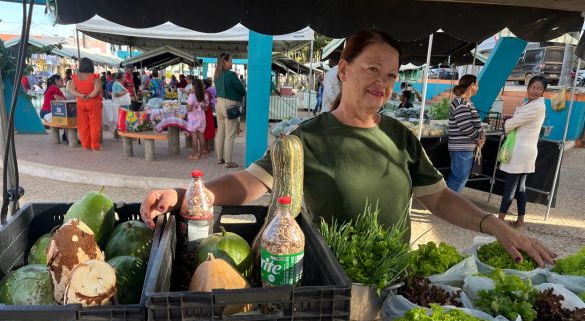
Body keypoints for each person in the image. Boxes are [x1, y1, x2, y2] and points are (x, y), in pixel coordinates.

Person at [140, 29, 555, 269]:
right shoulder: (307, 138)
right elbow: (248, 183)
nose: (383, 83)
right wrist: (185, 195)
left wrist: (492, 224)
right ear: (343, 70)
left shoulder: (401, 137)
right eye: (372, 69)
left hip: (390, 282)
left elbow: (439, 198)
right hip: (327, 286)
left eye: (390, 74)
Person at [498, 75, 548, 229]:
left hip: (521, 152)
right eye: (533, 87)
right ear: (528, 88)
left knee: (510, 188)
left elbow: (514, 122)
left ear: (543, 91)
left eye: (539, 88)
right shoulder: (531, 104)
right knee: (520, 188)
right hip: (524, 151)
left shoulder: (536, 106)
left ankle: (499, 221)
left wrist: (507, 123)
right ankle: (520, 220)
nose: (535, 91)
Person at [447, 74, 485, 193]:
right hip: (461, 149)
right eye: (477, 84)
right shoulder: (461, 102)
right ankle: (447, 202)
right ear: (472, 85)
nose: (478, 88)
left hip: (464, 148)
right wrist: (479, 137)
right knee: (458, 179)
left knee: (459, 178)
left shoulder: (466, 102)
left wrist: (482, 135)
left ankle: (449, 201)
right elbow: (466, 126)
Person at [214, 53, 246, 168]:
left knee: (220, 133)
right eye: (230, 61)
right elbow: (242, 90)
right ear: (225, 62)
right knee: (230, 135)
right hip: (230, 105)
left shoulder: (216, 75)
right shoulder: (231, 75)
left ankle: (220, 158)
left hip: (218, 104)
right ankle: (228, 161)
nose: (232, 63)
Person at [68, 57, 103, 151]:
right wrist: (89, 96)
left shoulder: (76, 77)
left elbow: (71, 90)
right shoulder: (95, 77)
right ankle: (95, 146)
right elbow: (96, 90)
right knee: (95, 125)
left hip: (81, 102)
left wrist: (81, 95)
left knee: (83, 125)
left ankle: (86, 145)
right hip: (93, 102)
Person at [40, 74, 68, 143]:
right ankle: (67, 137)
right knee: (68, 119)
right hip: (48, 113)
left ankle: (66, 137)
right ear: (56, 81)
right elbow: (60, 100)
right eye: (61, 81)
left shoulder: (52, 88)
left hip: (46, 112)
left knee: (68, 118)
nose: (63, 82)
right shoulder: (53, 88)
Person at [185, 78, 208, 160]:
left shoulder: (192, 95)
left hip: (194, 118)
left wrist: (186, 106)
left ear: (193, 86)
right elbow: (206, 108)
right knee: (201, 135)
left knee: (194, 136)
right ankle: (201, 154)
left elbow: (189, 109)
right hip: (202, 117)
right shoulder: (204, 95)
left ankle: (195, 154)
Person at [203, 78, 217, 152]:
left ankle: (206, 149)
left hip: (207, 114)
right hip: (207, 112)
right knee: (206, 130)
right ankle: (206, 148)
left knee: (206, 130)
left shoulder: (206, 93)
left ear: (205, 85)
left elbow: (206, 106)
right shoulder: (207, 91)